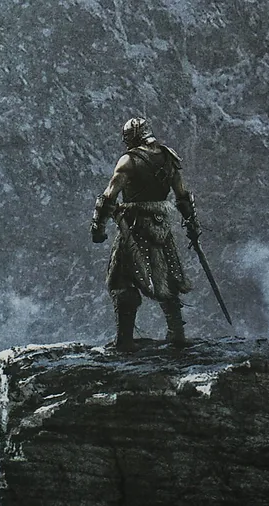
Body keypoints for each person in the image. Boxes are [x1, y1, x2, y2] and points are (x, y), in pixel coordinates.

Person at [90, 117, 201, 351]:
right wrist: (192, 224)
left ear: (131, 137)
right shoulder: (169, 157)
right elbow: (182, 195)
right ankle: (176, 333)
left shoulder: (129, 161)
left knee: (121, 279)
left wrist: (97, 227)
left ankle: (125, 340)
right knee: (167, 275)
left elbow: (109, 197)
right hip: (161, 224)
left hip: (133, 225)